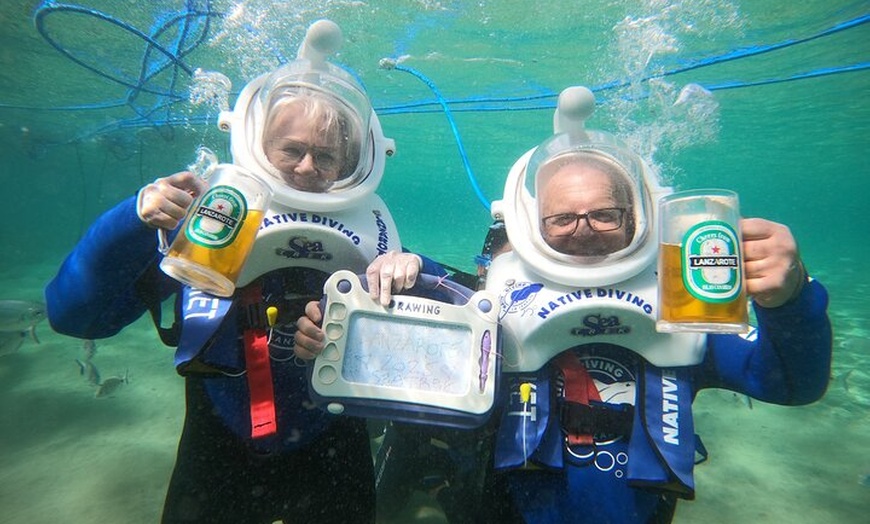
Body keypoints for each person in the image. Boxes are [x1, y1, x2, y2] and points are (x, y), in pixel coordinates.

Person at [296, 85, 832, 523]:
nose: (583, 231)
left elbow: (788, 383)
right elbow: (407, 307)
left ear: (639, 217)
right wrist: (386, 278)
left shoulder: (683, 304)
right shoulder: (497, 298)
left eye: (605, 214)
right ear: (532, 226)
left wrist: (790, 298)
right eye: (562, 219)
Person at [45, 20, 434, 524]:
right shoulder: (215, 219)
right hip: (218, 442)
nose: (307, 167)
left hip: (331, 444)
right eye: (291, 149)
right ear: (255, 141)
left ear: (354, 161)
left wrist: (412, 274)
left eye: (328, 155)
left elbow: (444, 328)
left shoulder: (373, 238)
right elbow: (76, 318)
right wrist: (135, 219)